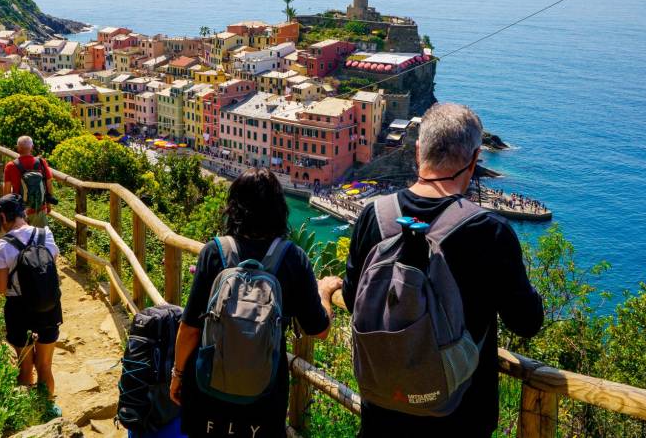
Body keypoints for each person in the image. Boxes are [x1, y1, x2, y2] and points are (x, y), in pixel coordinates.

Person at [342, 103, 544, 437]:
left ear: (419, 151)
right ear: (475, 159)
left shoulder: (373, 216)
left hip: (381, 410)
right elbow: (526, 322)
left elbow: (353, 301)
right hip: (460, 418)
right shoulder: (491, 231)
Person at [169, 168, 342, 438]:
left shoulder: (214, 252)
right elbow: (319, 329)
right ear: (279, 209)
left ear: (233, 207)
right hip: (263, 399)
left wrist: (178, 374)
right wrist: (326, 291)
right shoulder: (293, 258)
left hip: (208, 391)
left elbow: (189, 329)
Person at [0, 193, 62, 416]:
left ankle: (27, 412)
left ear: (2, 216)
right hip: (48, 306)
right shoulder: (45, 234)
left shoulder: (1, 247)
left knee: (25, 364)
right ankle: (49, 410)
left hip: (18, 310)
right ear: (23, 213)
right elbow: (49, 266)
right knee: (45, 365)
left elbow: (0, 289)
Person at [3, 136, 55, 227]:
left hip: (20, 211)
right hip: (39, 208)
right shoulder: (41, 162)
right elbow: (49, 183)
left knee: (23, 240)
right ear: (32, 147)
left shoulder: (10, 166)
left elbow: (7, 191)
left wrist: (8, 211)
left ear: (18, 148)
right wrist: (48, 204)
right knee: (40, 238)